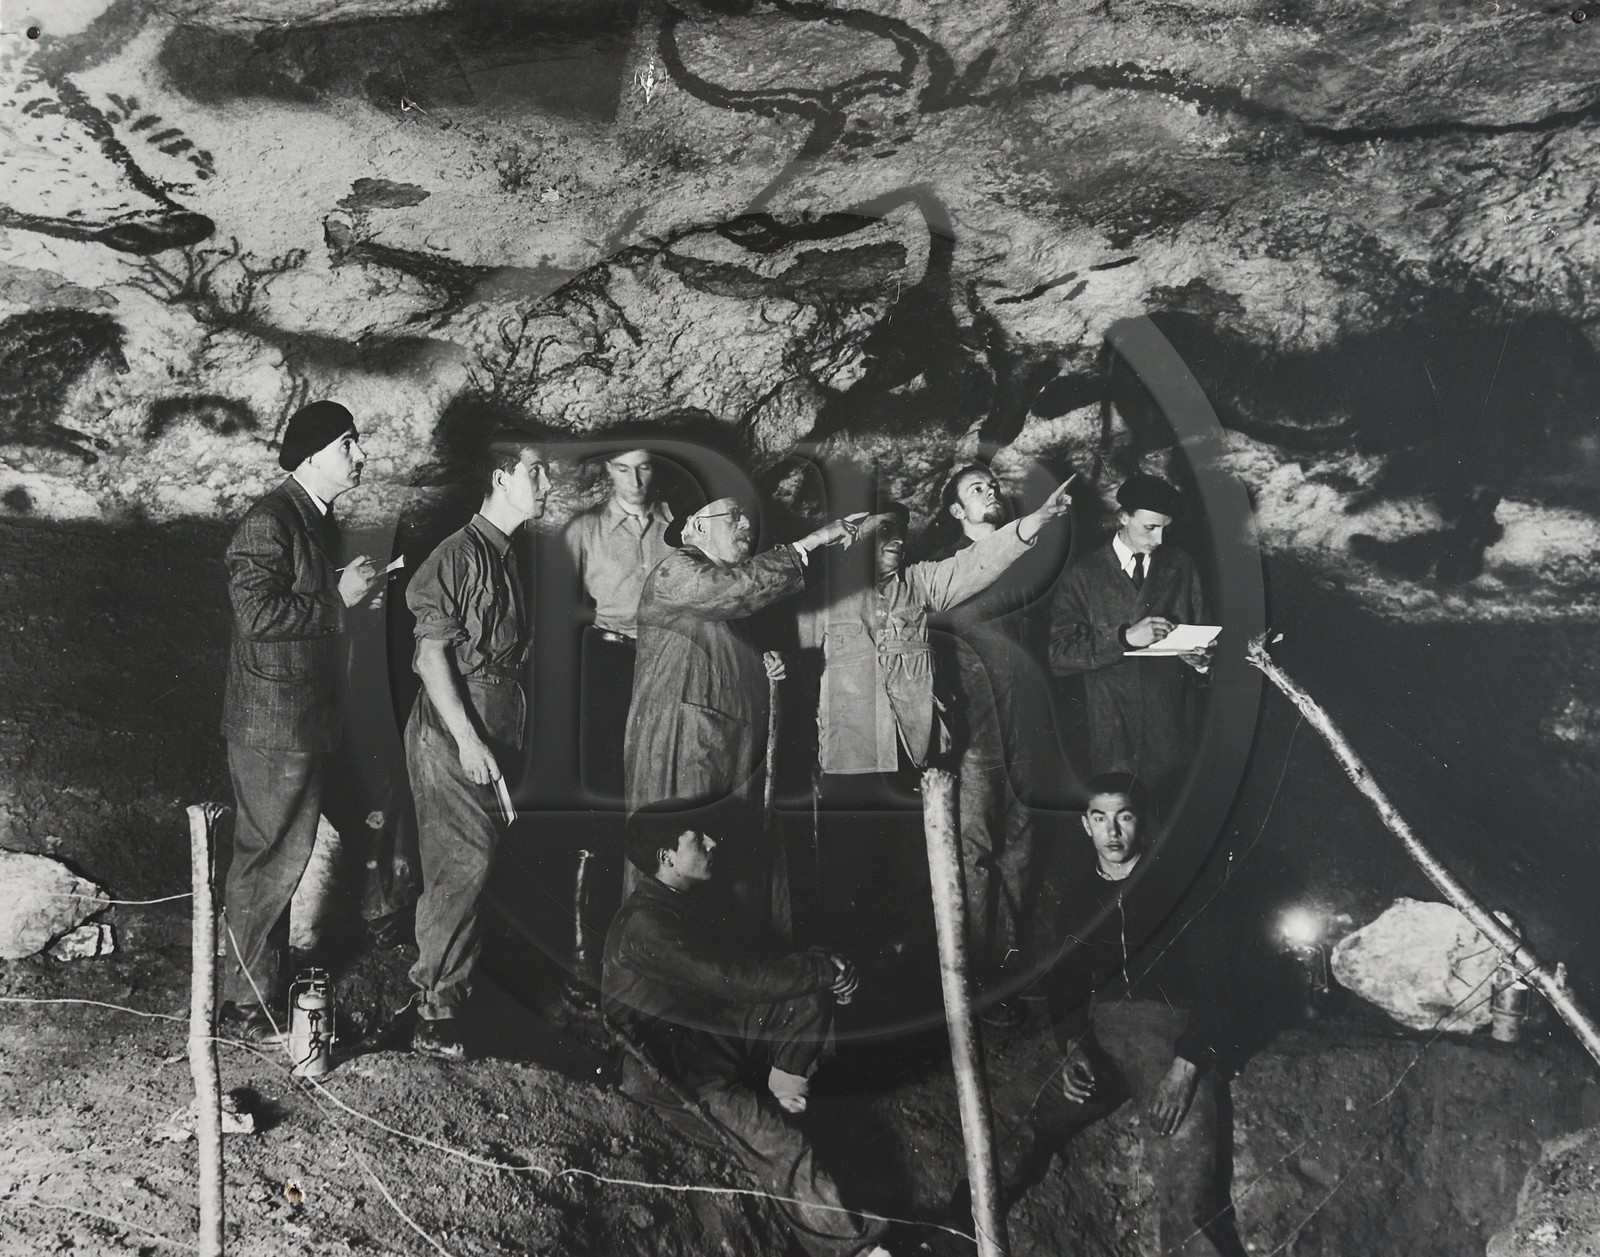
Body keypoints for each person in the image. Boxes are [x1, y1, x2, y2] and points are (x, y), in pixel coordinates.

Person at [965, 773, 1245, 1257]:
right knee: (1007, 1125)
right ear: (1086, 826)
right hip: (1103, 1036)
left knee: (1189, 1187)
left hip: (1172, 1038)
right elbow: (1067, 987)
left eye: (1125, 816)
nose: (1113, 831)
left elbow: (1227, 981)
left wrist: (1188, 1065)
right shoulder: (1078, 898)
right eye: (1100, 818)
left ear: (1142, 823)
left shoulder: (1181, 884)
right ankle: (952, 1237)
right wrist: (1074, 1046)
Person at [799, 480, 1073, 970]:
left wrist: (1037, 521)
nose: (897, 538)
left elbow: (980, 562)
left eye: (900, 531)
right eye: (882, 531)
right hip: (849, 767)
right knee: (850, 889)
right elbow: (780, 652)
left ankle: (917, 1000)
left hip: (912, 762)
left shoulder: (919, 585)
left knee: (914, 888)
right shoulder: (819, 602)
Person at [602, 803, 892, 1257]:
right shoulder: (646, 924)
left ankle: (783, 1092)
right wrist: (817, 968)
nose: (713, 843)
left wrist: (824, 965)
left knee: (802, 995)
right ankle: (851, 1250)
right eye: (698, 839)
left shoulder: (677, 904)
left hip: (705, 1038)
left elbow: (757, 966)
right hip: (666, 1070)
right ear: (667, 857)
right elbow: (732, 980)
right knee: (780, 1142)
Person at [219, 400, 384, 1039]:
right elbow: (257, 618)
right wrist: (338, 601)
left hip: (303, 718)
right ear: (314, 456)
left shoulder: (314, 518)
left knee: (285, 855)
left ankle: (262, 980)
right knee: (267, 858)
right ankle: (245, 1000)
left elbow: (300, 602)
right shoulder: (269, 521)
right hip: (272, 722)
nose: (360, 455)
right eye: (349, 444)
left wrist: (348, 591)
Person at [623, 497, 863, 934]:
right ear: (695, 526)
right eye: (732, 516)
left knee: (723, 869)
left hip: (720, 746)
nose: (745, 524)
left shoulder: (724, 597)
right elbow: (734, 590)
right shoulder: (675, 571)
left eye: (747, 517)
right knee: (678, 860)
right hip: (681, 745)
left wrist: (763, 663)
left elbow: (721, 634)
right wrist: (811, 541)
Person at [403, 432, 550, 1061]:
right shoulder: (457, 555)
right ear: (501, 477)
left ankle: (454, 995)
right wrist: (466, 739)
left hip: (494, 725)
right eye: (537, 475)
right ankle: (434, 1011)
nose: (548, 487)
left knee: (477, 865)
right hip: (452, 731)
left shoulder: (505, 555)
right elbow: (430, 655)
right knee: (461, 865)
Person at [925, 463, 1068, 995]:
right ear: (957, 512)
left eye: (994, 485)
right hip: (973, 735)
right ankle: (974, 977)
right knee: (975, 854)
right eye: (976, 489)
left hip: (1026, 730)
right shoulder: (946, 569)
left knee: (1022, 853)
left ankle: (1007, 968)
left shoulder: (1030, 569)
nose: (992, 492)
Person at [1048, 473, 1212, 806]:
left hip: (1174, 726)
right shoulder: (1083, 574)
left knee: (1172, 820)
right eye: (1150, 528)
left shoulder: (1182, 566)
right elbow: (1060, 656)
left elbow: (1208, 638)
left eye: (1166, 528)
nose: (1160, 539)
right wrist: (1124, 638)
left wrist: (1204, 665)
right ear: (1123, 518)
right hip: (1113, 729)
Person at [563, 446, 674, 801]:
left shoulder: (679, 525)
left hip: (669, 657)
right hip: (608, 660)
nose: (635, 480)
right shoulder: (584, 530)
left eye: (643, 468)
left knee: (665, 760)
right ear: (608, 470)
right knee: (610, 768)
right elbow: (560, 609)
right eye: (623, 469)